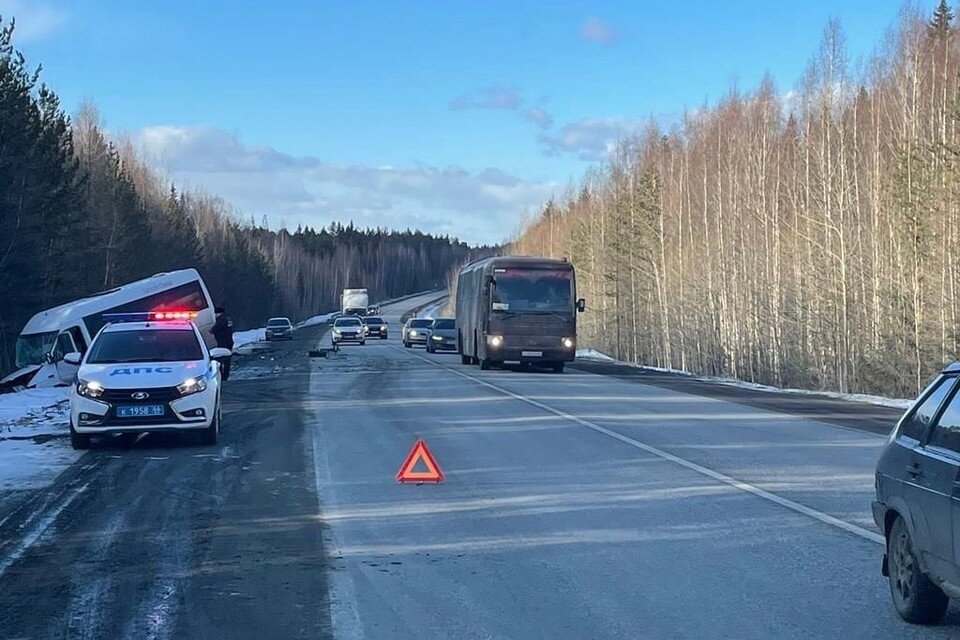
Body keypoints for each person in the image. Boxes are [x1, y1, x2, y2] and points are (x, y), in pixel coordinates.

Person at [211, 306, 234, 380]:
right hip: (229, 341)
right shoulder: (228, 318)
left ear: (218, 313)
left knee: (220, 358)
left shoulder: (221, 319)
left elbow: (217, 327)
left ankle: (221, 375)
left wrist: (212, 330)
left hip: (223, 342)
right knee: (227, 359)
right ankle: (225, 375)